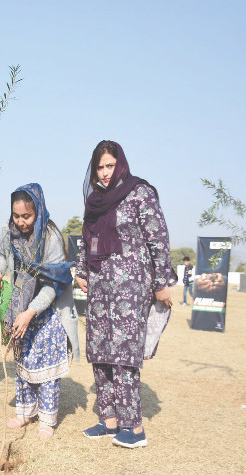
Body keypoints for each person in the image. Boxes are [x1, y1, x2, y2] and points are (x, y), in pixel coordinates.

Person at [76, 140, 171, 449]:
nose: (105, 173)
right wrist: (81, 271)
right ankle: (109, 420)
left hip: (131, 287)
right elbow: (85, 238)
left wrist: (162, 281)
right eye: (100, 167)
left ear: (121, 164)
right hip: (99, 286)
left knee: (124, 353)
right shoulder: (95, 201)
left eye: (110, 165)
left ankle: (134, 427)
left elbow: (158, 237)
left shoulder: (140, 192)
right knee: (99, 349)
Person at [0, 184, 77, 440]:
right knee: (24, 361)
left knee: (47, 365)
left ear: (37, 211)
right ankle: (25, 413)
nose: (20, 222)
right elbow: (1, 255)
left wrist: (30, 312)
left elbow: (54, 283)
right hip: (22, 305)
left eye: (26, 216)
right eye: (16, 216)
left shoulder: (50, 238)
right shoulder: (10, 233)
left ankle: (47, 419)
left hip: (48, 308)